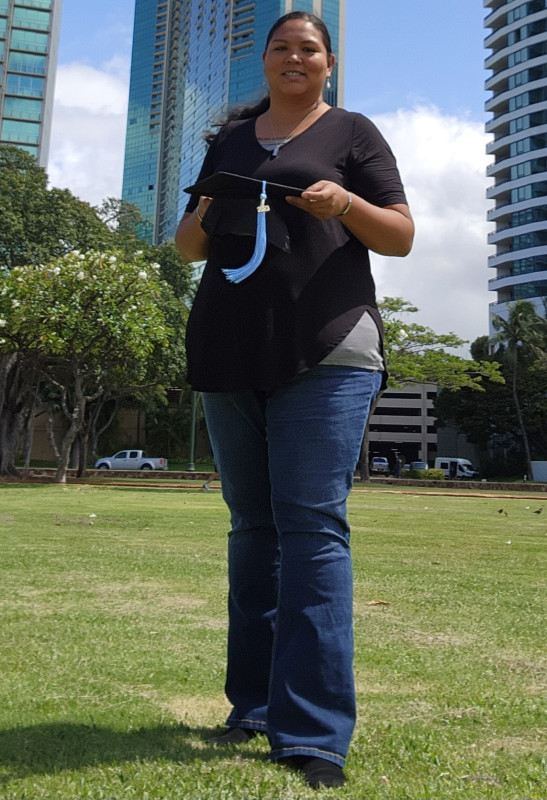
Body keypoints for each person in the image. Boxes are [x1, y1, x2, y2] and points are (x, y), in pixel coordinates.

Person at [175, 11, 414, 789]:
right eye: (281, 47)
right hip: (229, 345)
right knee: (253, 531)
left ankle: (311, 734)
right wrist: (204, 213)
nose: (292, 57)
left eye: (307, 48)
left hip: (328, 349)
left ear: (328, 61)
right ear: (267, 60)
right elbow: (187, 245)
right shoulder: (232, 140)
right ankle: (251, 707)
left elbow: (400, 235)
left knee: (311, 529)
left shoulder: (352, 133)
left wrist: (343, 206)